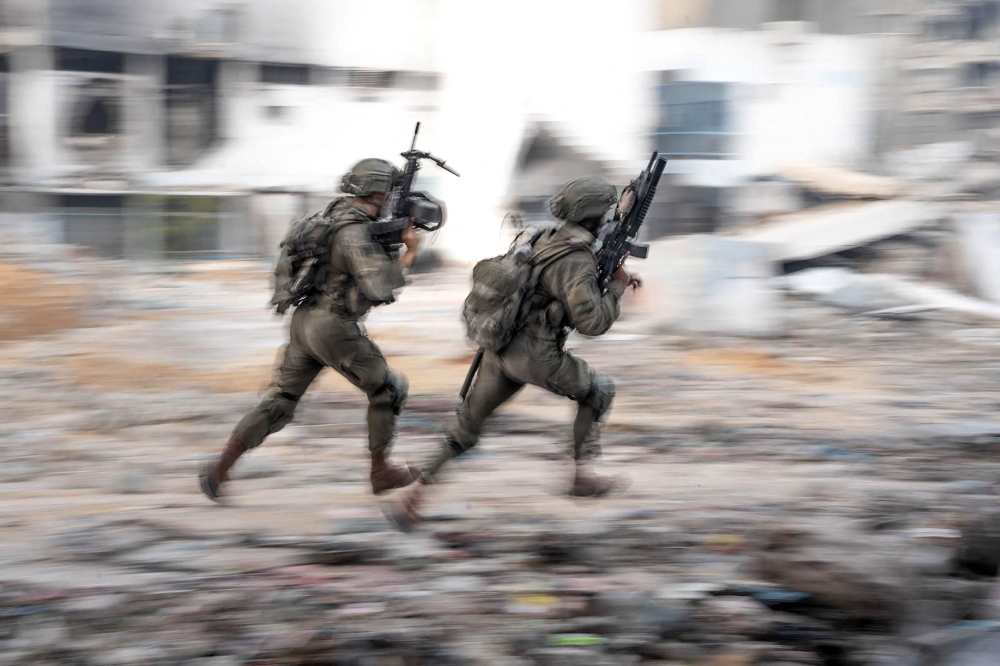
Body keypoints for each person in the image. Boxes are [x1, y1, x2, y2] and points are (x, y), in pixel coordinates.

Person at [387, 176, 641, 530]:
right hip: (536, 356)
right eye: (606, 213)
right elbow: (592, 323)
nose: (609, 217)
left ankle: (411, 501)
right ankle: (582, 475)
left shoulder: (544, 238)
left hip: (498, 348)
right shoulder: (577, 259)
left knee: (465, 430)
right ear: (595, 216)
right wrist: (616, 286)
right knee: (600, 390)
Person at [200, 158, 422, 501]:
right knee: (388, 390)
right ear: (376, 192)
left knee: (282, 399)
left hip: (304, 322)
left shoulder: (330, 218)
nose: (390, 200)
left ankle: (221, 468)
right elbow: (380, 288)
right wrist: (409, 254)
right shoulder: (354, 232)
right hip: (332, 326)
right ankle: (381, 471)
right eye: (387, 193)